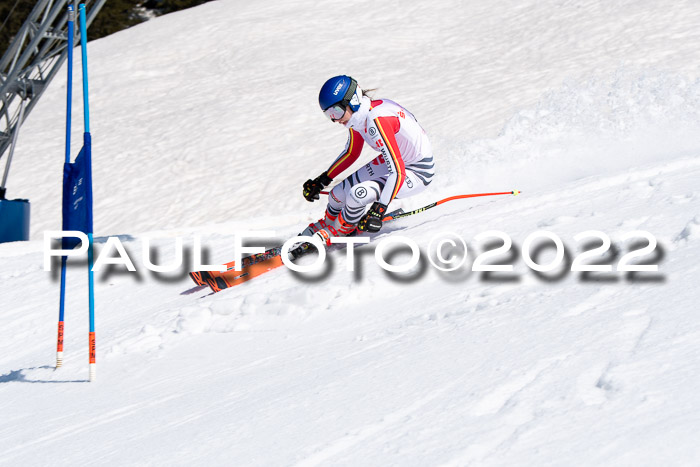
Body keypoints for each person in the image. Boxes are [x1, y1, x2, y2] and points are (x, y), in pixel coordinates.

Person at [301, 75, 435, 246]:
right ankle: (328, 224)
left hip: (418, 172)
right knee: (336, 195)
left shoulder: (376, 120)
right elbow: (351, 152)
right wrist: (323, 180)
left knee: (357, 195)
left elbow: (398, 171)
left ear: (353, 101)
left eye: (336, 112)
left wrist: (379, 209)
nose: (335, 120)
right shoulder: (358, 117)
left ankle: (340, 230)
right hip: (398, 162)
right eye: (329, 115)